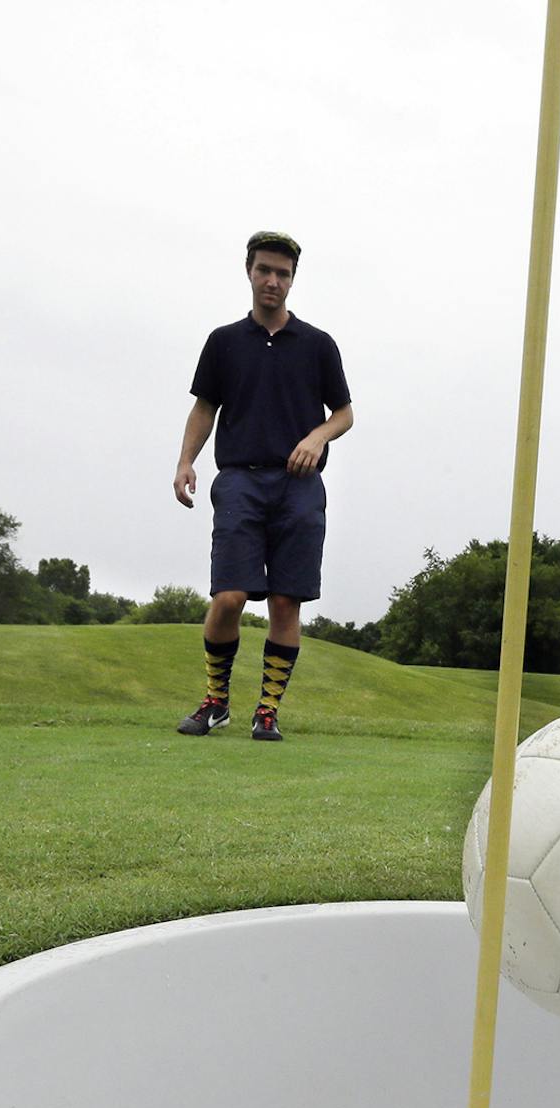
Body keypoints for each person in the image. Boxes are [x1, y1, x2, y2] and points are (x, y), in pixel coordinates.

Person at [172, 230, 354, 741]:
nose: (273, 280)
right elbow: (204, 406)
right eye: (264, 270)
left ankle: (267, 710)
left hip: (299, 486)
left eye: (283, 273)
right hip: (239, 481)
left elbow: (343, 413)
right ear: (249, 272)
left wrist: (317, 436)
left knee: (284, 601)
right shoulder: (224, 342)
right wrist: (186, 461)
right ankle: (215, 702)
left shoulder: (318, 345)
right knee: (229, 596)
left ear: (293, 280)